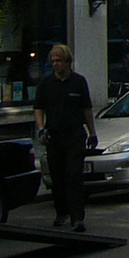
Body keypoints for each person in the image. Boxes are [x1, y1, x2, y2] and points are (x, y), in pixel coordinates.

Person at [34, 44, 96, 233]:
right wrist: (41, 129)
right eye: (53, 61)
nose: (55, 64)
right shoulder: (46, 83)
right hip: (54, 136)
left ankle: (77, 218)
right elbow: (38, 108)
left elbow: (87, 109)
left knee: (73, 175)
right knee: (57, 177)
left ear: (68, 62)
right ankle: (62, 212)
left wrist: (92, 133)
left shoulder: (78, 82)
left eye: (59, 61)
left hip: (74, 135)